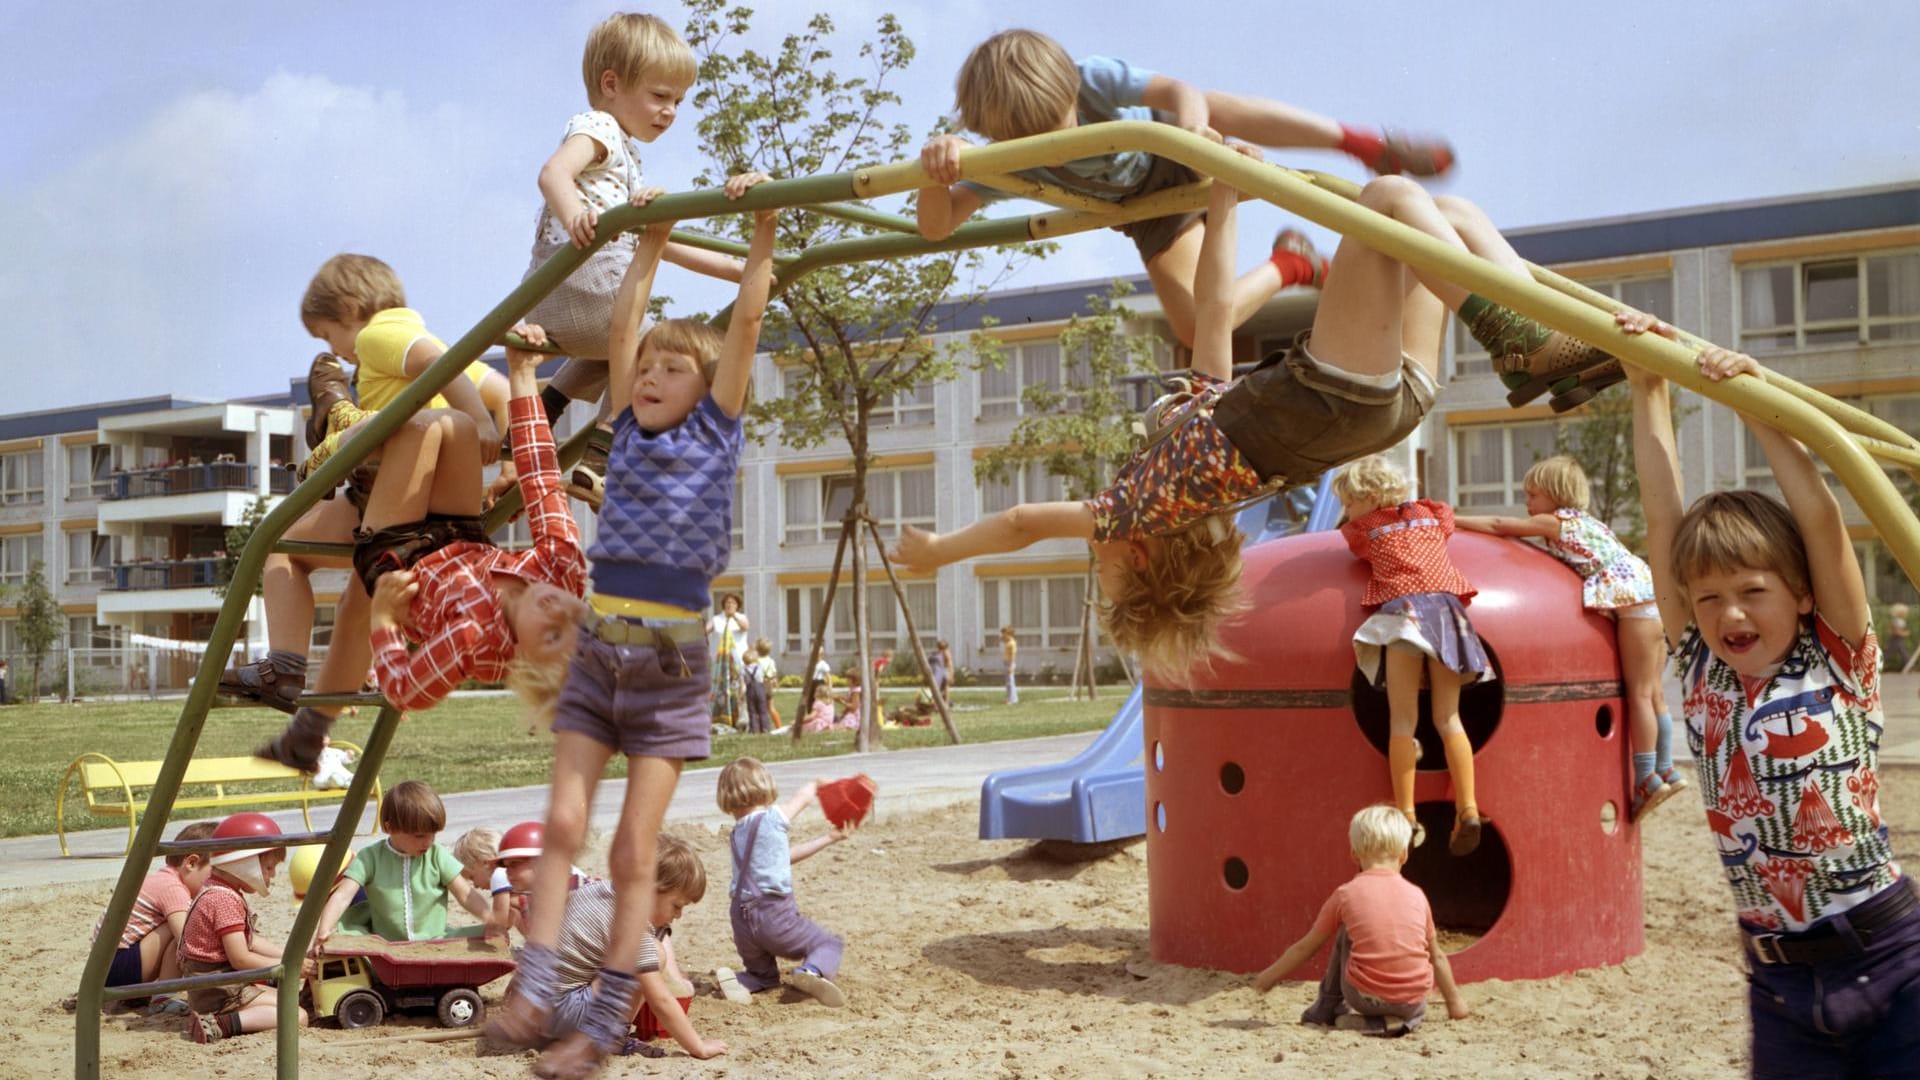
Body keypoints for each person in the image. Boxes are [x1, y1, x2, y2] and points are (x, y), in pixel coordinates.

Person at [894, 149, 1612, 683]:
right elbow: (1020, 522)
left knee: (1440, 218)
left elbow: (1213, 320)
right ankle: (1526, 341)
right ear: (1138, 556)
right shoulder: (1136, 509)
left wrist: (1224, 204)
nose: (1095, 551)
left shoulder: (1192, 467)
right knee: (1389, 195)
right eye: (1102, 567)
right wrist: (939, 553)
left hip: (1385, 411)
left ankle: (1549, 336)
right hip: (1335, 397)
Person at [484, 203, 775, 1079]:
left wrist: (759, 232)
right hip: (603, 649)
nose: (649, 374)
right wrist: (646, 244)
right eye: (644, 367)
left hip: (670, 660)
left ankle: (604, 1023)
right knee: (563, 822)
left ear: (710, 381)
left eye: (672, 366)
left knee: (629, 851)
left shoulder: (714, 430)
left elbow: (750, 315)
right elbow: (623, 324)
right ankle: (533, 985)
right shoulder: (628, 433)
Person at [1622, 312, 1919, 1076]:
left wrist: (1755, 404)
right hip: (1780, 981)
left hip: (1890, 959)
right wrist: (1645, 381)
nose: (1731, 613)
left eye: (1753, 591)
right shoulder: (1701, 668)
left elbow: (1820, 519)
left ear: (1799, 593)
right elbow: (1664, 517)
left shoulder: (1840, 658)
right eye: (1711, 597)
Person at [917, 29, 1455, 350]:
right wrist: (934, 169)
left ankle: (1358, 143)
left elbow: (1178, 90)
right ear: (1003, 137)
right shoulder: (1003, 163)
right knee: (1198, 330)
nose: (1058, 145)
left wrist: (1196, 131)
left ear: (1071, 91)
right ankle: (1294, 265)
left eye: (1062, 123)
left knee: (1210, 103)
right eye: (1036, 140)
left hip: (1169, 147)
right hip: (1144, 208)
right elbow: (936, 226)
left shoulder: (1092, 78)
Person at [248, 326, 592, 776]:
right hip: (460, 533)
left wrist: (387, 622)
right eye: (578, 620)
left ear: (522, 662)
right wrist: (521, 373)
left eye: (550, 636)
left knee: (424, 426)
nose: (557, 611)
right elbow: (541, 476)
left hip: (400, 556)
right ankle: (342, 426)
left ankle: (335, 441)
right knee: (460, 425)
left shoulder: (474, 642)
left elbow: (406, 691)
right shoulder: (563, 569)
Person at [227, 254, 515, 770]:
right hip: (429, 499)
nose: (336, 351)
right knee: (362, 601)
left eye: (326, 336)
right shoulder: (433, 340)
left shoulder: (377, 337)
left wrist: (478, 423)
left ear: (350, 309)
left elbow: (436, 369)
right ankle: (309, 733)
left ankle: (285, 667)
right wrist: (506, 453)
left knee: (280, 547)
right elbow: (500, 389)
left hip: (399, 486)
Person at [524, 12, 765, 502]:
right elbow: (552, 174)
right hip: (583, 275)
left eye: (678, 100)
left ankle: (546, 408)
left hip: (551, 298)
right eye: (660, 96)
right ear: (610, 84)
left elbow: (660, 241)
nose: (670, 111)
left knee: (608, 351)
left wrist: (735, 270)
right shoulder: (600, 129)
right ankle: (605, 447)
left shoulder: (625, 159)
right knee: (647, 351)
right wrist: (575, 216)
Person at [1456, 455, 1683, 820]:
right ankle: (1667, 767)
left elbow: (1500, 525)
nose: (1527, 504)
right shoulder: (1590, 524)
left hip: (1634, 607)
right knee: (1655, 692)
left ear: (1555, 495)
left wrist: (1454, 519)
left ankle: (1646, 778)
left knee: (1639, 694)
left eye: (1533, 494)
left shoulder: (1555, 522)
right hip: (1652, 599)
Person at [1336, 456, 1492, 854]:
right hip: (1447, 614)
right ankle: (1468, 808)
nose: (1345, 512)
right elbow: (1450, 523)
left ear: (1368, 498)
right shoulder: (1431, 512)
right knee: (1449, 717)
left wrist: (1353, 520)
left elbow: (1347, 540)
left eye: (1348, 502)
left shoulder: (1367, 527)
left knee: (1403, 721)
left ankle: (1406, 816)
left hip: (1405, 614)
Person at [502, 834, 725, 1061]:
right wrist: (698, 1047)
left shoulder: (594, 889)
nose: (678, 915)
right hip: (561, 1014)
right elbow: (661, 1000)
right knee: (654, 955)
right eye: (677, 905)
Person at [1252, 805, 1469, 1036]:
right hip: (1412, 1001)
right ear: (1404, 854)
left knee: (1346, 931)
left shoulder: (1346, 894)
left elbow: (1307, 947)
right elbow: (1436, 955)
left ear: (1354, 855)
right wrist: (1454, 1003)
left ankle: (1327, 1008)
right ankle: (1400, 1023)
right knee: (1416, 1004)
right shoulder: (1417, 895)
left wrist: (1268, 977)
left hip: (1365, 997)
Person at [711, 758, 853, 1008]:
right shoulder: (770, 819)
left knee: (763, 973)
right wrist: (816, 784)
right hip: (774, 916)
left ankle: (748, 979)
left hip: (741, 920)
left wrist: (830, 838)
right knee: (828, 943)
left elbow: (784, 858)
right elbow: (800, 800)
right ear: (764, 788)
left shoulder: (737, 833)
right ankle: (810, 971)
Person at [176, 813, 308, 1043]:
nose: (273, 875)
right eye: (268, 867)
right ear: (243, 862)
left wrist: (291, 956)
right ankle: (219, 1025)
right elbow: (241, 959)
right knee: (297, 1016)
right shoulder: (223, 899)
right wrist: (289, 966)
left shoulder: (220, 889)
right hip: (218, 991)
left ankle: (226, 1017)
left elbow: (251, 941)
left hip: (220, 983)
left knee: (290, 999)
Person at [312, 781, 492, 946]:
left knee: (490, 935)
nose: (428, 842)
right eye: (419, 836)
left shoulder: (437, 855)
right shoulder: (370, 857)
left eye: (433, 834)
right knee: (345, 943)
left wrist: (491, 919)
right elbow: (342, 896)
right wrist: (324, 930)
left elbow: (465, 894)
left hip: (436, 941)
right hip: (386, 945)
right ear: (390, 828)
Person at [92, 821, 217, 1014]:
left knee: (187, 926)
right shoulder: (171, 887)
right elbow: (188, 939)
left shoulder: (163, 879)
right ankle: (163, 997)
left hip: (105, 969)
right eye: (214, 873)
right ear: (191, 863)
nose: (215, 882)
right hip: (118, 969)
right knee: (185, 931)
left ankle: (149, 994)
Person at [709, 594, 750, 730]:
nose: (729, 605)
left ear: (737, 605)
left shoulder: (741, 617)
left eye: (732, 603)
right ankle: (720, 717)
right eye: (727, 602)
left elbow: (745, 627)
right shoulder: (717, 619)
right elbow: (705, 630)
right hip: (721, 663)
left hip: (738, 663)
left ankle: (741, 720)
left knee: (739, 691)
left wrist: (734, 616)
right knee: (721, 692)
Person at [744, 637, 777, 735]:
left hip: (758, 686)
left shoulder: (756, 661)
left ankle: (755, 728)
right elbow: (774, 674)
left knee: (755, 709)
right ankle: (773, 726)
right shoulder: (771, 661)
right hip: (768, 686)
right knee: (770, 708)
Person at [1887, 602, 1911, 672]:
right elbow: (1896, 632)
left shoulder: (1899, 621)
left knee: (1903, 653)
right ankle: (1908, 667)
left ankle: (1907, 667)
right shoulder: (1897, 621)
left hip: (1898, 640)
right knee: (1890, 653)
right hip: (1896, 640)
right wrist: (1904, 633)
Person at [928, 638, 952, 706]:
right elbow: (949, 664)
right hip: (937, 672)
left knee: (942, 687)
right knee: (940, 688)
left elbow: (949, 664)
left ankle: (944, 703)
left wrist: (950, 674)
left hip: (939, 672)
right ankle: (942, 703)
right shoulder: (936, 654)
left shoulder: (941, 653)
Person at [1001, 627, 1019, 705]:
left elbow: (1013, 655)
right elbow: (1001, 639)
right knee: (1008, 682)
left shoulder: (1012, 643)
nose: (1003, 635)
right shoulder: (1008, 642)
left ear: (1009, 634)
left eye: (1004, 633)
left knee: (1010, 682)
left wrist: (1011, 666)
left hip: (1009, 663)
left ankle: (1012, 699)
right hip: (1006, 662)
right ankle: (1010, 698)